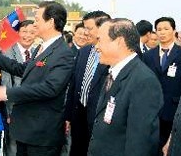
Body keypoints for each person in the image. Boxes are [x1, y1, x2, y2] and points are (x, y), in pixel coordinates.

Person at [0, 1, 75, 156]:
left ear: (51, 22)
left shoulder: (63, 53)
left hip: (42, 135)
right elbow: (22, 69)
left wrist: (8, 93)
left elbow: (50, 88)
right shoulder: (42, 48)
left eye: (38, 20)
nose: (34, 24)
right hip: (27, 131)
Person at [88, 18, 163, 156]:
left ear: (119, 41)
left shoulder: (143, 81)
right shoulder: (113, 73)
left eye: (100, 40)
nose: (96, 47)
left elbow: (140, 143)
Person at [64, 11, 110, 156]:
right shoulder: (84, 51)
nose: (85, 32)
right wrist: (68, 116)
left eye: (89, 28)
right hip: (79, 114)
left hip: (99, 118)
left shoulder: (112, 53)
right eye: (84, 28)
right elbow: (74, 84)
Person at [143, 17, 181, 155]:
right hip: (151, 111)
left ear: (174, 31)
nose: (162, 32)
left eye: (166, 29)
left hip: (173, 111)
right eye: (159, 29)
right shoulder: (147, 56)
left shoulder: (180, 53)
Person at [1, 20, 36, 156]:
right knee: (13, 148)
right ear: (17, 33)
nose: (28, 35)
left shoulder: (38, 53)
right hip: (15, 112)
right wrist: (10, 113)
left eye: (32, 32)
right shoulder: (7, 53)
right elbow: (6, 85)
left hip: (33, 113)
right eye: (24, 32)